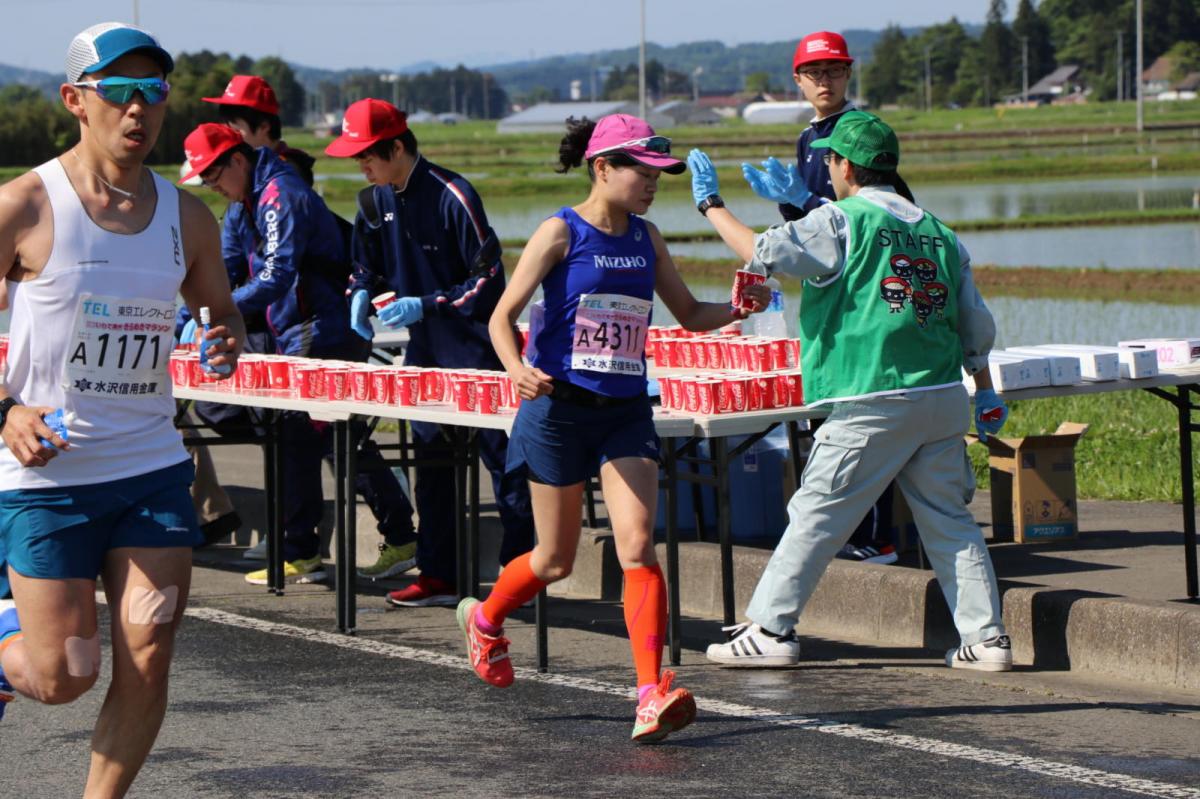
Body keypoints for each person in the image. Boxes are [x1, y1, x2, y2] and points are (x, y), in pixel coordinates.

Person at [458, 113, 767, 743]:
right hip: (557, 411)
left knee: (636, 547)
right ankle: (485, 619)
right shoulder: (559, 231)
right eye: (644, 172)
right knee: (553, 558)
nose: (655, 184)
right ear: (604, 168)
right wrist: (517, 369)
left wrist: (737, 309)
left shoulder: (647, 237)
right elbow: (500, 317)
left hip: (625, 412)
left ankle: (651, 692)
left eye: (660, 174)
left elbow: (686, 312)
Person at [0, 22, 245, 797]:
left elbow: (222, 312)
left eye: (154, 92)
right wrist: (7, 410)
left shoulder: (187, 217)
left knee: (151, 645)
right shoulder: (24, 206)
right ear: (76, 100)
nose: (139, 109)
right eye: (119, 92)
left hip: (149, 467)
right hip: (49, 474)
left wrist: (224, 339)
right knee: (65, 673)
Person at [688, 111, 1014, 672]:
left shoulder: (840, 221)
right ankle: (986, 640)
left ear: (843, 165)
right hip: (940, 398)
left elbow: (760, 252)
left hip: (871, 398)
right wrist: (984, 391)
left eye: (830, 161)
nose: (827, 169)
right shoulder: (939, 232)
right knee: (950, 521)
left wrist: (710, 204)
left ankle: (770, 628)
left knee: (817, 512)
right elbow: (974, 326)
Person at [179, 122, 417, 584]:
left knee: (317, 434)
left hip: (323, 327)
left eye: (212, 175)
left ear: (237, 160)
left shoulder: (279, 194)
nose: (211, 186)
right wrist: (191, 315)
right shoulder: (240, 205)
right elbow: (222, 275)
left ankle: (315, 547)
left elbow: (276, 277)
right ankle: (335, 542)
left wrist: (214, 310)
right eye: (203, 180)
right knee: (314, 435)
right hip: (291, 329)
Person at [324, 98, 535, 606]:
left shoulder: (453, 195)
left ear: (397, 147)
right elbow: (365, 266)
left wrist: (429, 304)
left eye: (368, 155)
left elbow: (487, 281)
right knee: (432, 464)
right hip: (424, 355)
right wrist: (358, 293)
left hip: (480, 349)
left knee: (506, 467)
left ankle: (518, 575)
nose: (363, 166)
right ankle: (440, 573)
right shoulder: (373, 201)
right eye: (356, 159)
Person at [743, 30, 901, 566]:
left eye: (833, 71)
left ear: (848, 74)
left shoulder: (859, 133)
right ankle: (851, 534)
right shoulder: (809, 138)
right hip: (827, 299)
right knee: (829, 425)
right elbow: (812, 228)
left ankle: (875, 538)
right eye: (814, 72)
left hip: (862, 299)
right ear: (798, 80)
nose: (824, 80)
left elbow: (881, 212)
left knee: (860, 426)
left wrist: (802, 202)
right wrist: (791, 211)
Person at [203, 75, 316, 186]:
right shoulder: (253, 167)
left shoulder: (286, 174)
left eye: (236, 131)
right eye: (226, 131)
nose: (229, 138)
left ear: (264, 127)